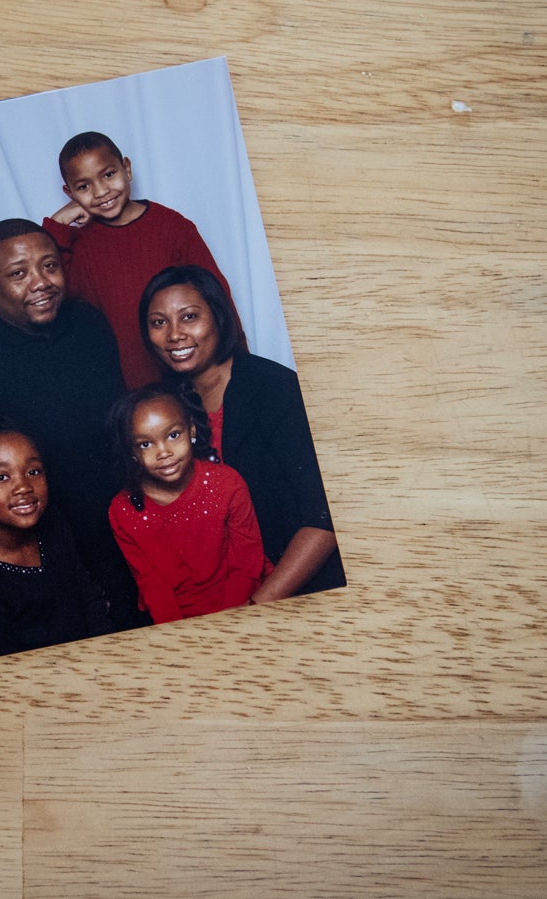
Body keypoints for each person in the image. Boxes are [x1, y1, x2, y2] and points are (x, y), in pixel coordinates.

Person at [0, 217, 141, 628]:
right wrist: (17, 582)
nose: (41, 282)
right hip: (40, 590)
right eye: (18, 273)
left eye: (49, 266)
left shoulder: (89, 325)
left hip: (129, 553)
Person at [139, 265, 346, 598]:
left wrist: (258, 605)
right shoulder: (166, 407)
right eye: (159, 322)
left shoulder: (274, 389)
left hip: (297, 584)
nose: (174, 334)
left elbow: (325, 516)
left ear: (219, 318)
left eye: (189, 317)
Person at [42, 131, 242, 389]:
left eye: (108, 175)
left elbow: (218, 296)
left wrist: (241, 364)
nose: (101, 191)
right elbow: (48, 286)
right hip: (127, 389)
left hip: (193, 378)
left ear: (127, 168)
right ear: (69, 193)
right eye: (84, 186)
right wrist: (58, 222)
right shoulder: (79, 246)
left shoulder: (172, 227)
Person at [106, 385, 271, 622]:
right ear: (131, 450)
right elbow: (151, 584)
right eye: (145, 444)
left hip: (242, 603)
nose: (163, 452)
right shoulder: (122, 510)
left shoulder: (227, 483)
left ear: (191, 430)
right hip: (178, 617)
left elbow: (246, 564)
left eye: (173, 435)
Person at [0, 427, 112, 661]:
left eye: (33, 471)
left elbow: (90, 600)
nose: (23, 487)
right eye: (1, 477)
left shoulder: (54, 525)